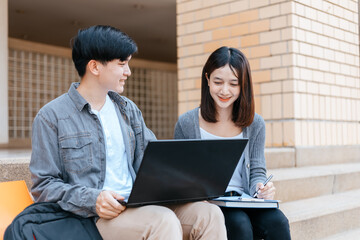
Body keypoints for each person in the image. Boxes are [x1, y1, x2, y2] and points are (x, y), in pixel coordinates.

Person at [29, 25, 227, 240]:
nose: (128, 72)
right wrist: (93, 199)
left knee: (209, 214)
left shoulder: (128, 110)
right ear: (95, 67)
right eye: (122, 64)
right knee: (162, 220)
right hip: (95, 217)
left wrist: (191, 187)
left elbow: (156, 159)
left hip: (141, 203)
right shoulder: (52, 116)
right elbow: (44, 186)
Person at [174, 46, 291, 240]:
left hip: (243, 199)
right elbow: (180, 175)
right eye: (218, 82)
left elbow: (257, 170)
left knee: (277, 221)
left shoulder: (255, 124)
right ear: (207, 80)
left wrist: (261, 188)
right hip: (210, 204)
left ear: (243, 85)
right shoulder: (187, 123)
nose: (225, 90)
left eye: (233, 84)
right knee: (239, 224)